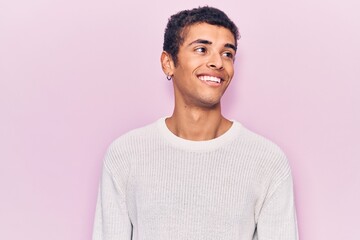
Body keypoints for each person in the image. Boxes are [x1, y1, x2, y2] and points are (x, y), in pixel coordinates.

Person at [92, 6, 298, 240]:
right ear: (168, 62)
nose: (218, 62)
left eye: (227, 54)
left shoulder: (268, 161)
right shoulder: (125, 155)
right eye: (202, 49)